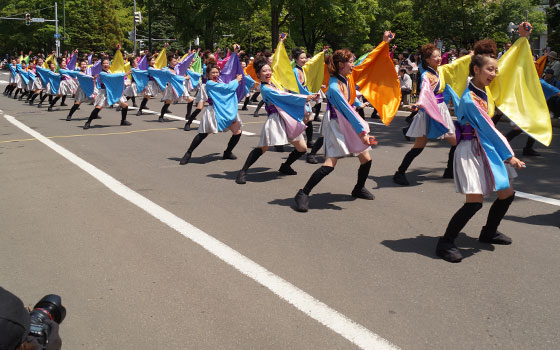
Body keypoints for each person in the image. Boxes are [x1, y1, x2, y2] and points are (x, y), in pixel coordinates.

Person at [436, 53, 525, 263]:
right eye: (489, 69)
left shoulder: (482, 91)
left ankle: (489, 232)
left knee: (507, 194)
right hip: (471, 151)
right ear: (475, 69)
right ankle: (445, 242)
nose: (494, 74)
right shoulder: (470, 98)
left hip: (484, 147)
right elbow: (489, 129)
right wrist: (509, 155)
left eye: (496, 70)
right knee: (474, 202)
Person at [294, 47, 377, 212]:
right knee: (330, 164)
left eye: (353, 61)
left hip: (347, 122)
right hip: (337, 125)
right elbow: (346, 109)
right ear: (341, 64)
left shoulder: (345, 79)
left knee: (366, 159)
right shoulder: (333, 86)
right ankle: (303, 193)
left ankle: (358, 188)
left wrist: (359, 104)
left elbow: (350, 100)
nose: (353, 65)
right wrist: (363, 132)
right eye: (350, 62)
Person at [235, 56, 317, 185]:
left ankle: (285, 166)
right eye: (264, 71)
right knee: (263, 147)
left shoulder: (274, 83)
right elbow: (284, 96)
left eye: (269, 70)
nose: (268, 73)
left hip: (288, 118)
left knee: (302, 148)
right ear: (258, 74)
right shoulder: (266, 88)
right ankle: (243, 171)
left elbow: (290, 87)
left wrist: (308, 94)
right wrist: (304, 98)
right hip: (276, 120)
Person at [393, 43, 461, 186]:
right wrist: (419, 103)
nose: (438, 58)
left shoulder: (439, 71)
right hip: (430, 111)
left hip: (440, 109)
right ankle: (399, 173)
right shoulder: (426, 75)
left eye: (438, 55)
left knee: (456, 142)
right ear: (427, 60)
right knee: (419, 146)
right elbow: (424, 91)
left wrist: (470, 57)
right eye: (434, 57)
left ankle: (449, 170)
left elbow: (456, 67)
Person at [178, 62, 243, 165]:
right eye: (213, 72)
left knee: (237, 132)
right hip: (214, 111)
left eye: (217, 72)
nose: (215, 74)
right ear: (207, 74)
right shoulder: (209, 83)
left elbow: (228, 89)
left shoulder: (219, 81)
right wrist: (236, 80)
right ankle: (188, 153)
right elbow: (228, 88)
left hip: (225, 110)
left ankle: (227, 152)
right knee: (203, 134)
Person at [83, 56, 130, 130]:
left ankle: (123, 120)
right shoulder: (102, 73)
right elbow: (112, 77)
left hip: (112, 91)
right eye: (104, 63)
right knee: (98, 107)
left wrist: (125, 82)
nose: (106, 64)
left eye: (107, 63)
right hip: (104, 92)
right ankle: (88, 122)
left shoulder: (109, 72)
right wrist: (124, 74)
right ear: (101, 65)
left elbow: (114, 79)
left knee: (125, 105)